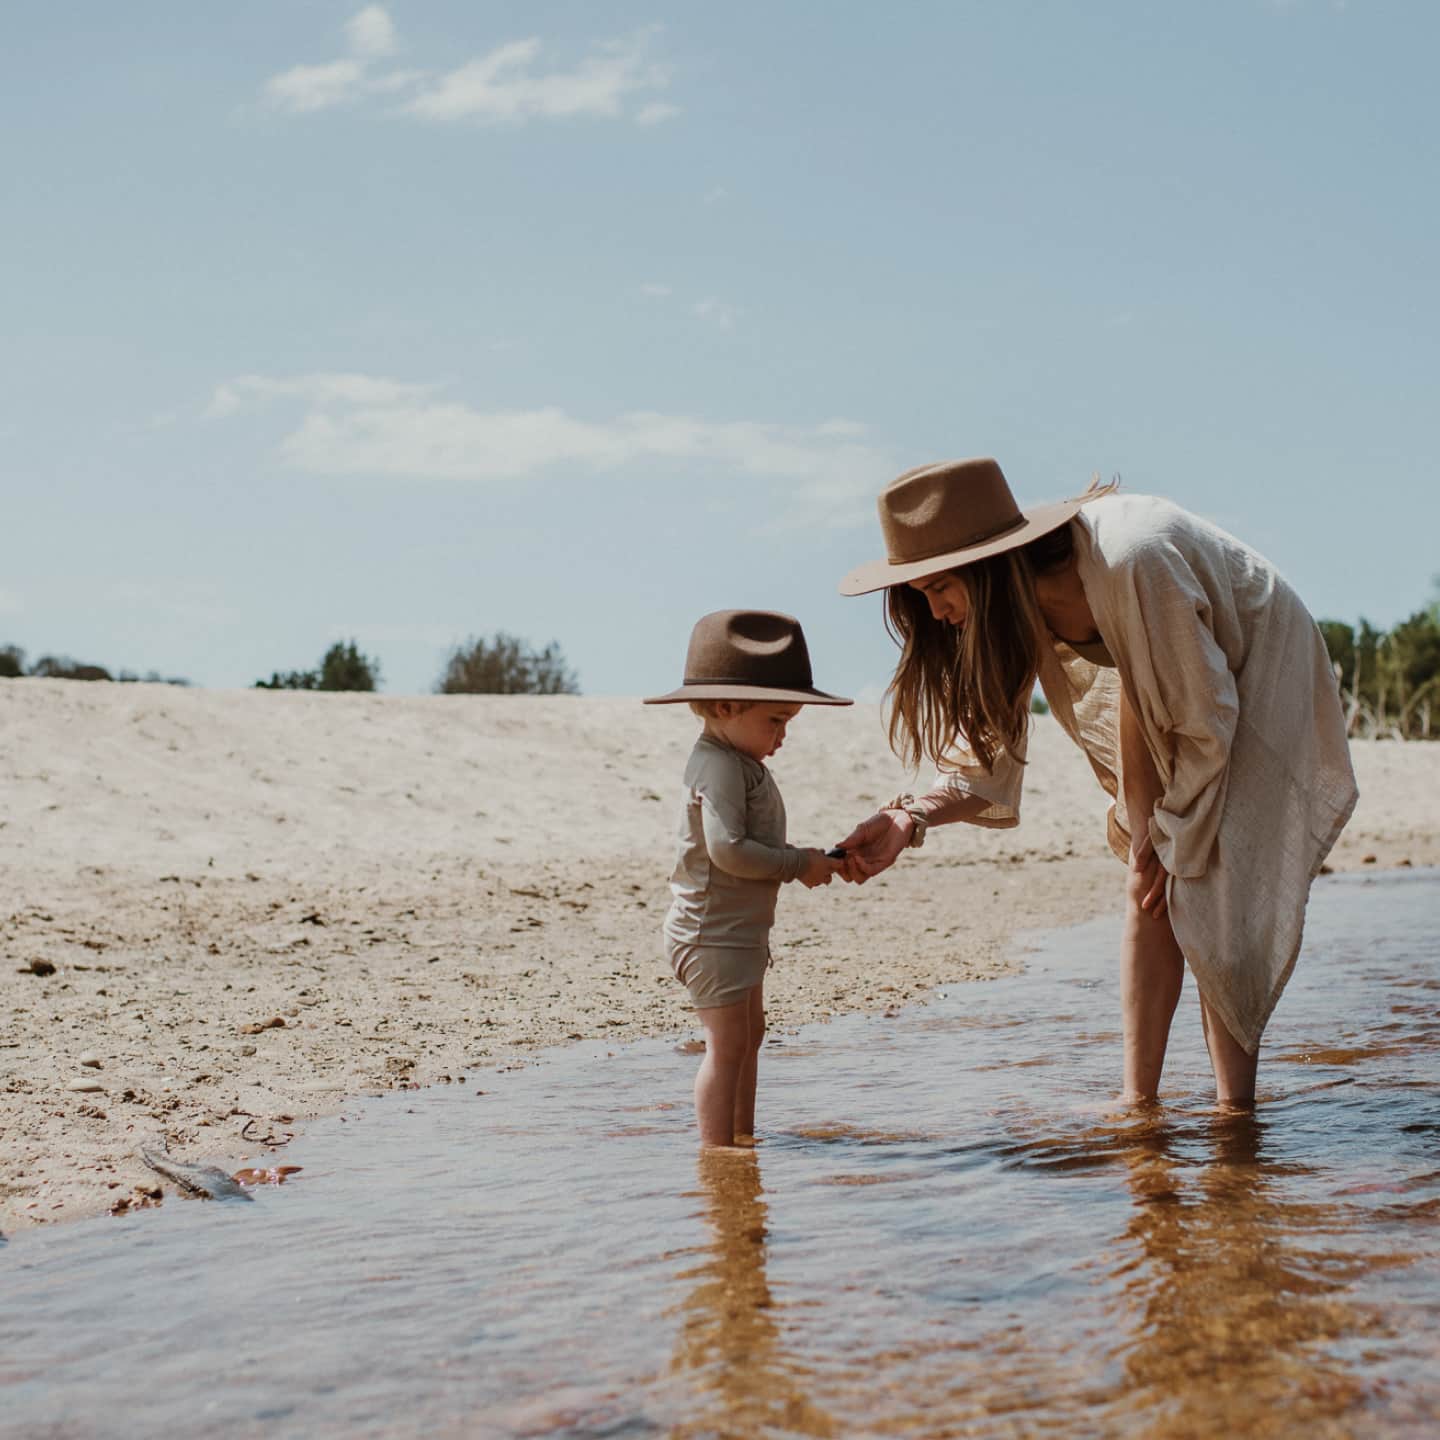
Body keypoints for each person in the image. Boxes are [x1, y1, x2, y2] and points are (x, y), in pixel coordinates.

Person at [834, 458, 1357, 1107]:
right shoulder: (1010, 613)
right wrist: (909, 819)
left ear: (990, 568)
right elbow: (983, 758)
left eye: (939, 587)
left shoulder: (1132, 561)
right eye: (919, 595)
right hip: (1165, 680)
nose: (934, 611)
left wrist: (1180, 835)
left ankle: (1234, 1118)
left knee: (1208, 885)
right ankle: (1138, 1105)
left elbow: (1208, 717)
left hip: (1252, 658)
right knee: (1147, 873)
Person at [646, 610, 851, 1145]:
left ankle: (743, 1140)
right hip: (710, 934)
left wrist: (808, 857)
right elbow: (728, 851)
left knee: (749, 1036)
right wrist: (796, 864)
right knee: (727, 1045)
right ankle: (719, 1157)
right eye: (775, 720)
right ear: (725, 707)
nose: (782, 735)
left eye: (787, 723)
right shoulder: (717, 765)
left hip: (738, 933)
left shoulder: (738, 760)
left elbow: (748, 843)